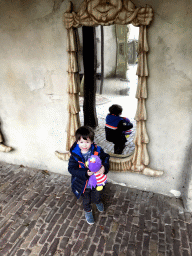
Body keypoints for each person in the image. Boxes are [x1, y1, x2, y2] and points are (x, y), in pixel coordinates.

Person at [68, 126, 110, 225]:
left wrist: (104, 167)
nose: (84, 145)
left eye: (87, 142)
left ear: (91, 142)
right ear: (77, 142)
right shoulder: (75, 155)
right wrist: (85, 173)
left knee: (97, 194)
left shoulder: (97, 150)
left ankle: (98, 201)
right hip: (83, 183)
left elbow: (106, 158)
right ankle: (88, 211)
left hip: (97, 181)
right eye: (81, 142)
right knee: (86, 200)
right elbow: (71, 169)